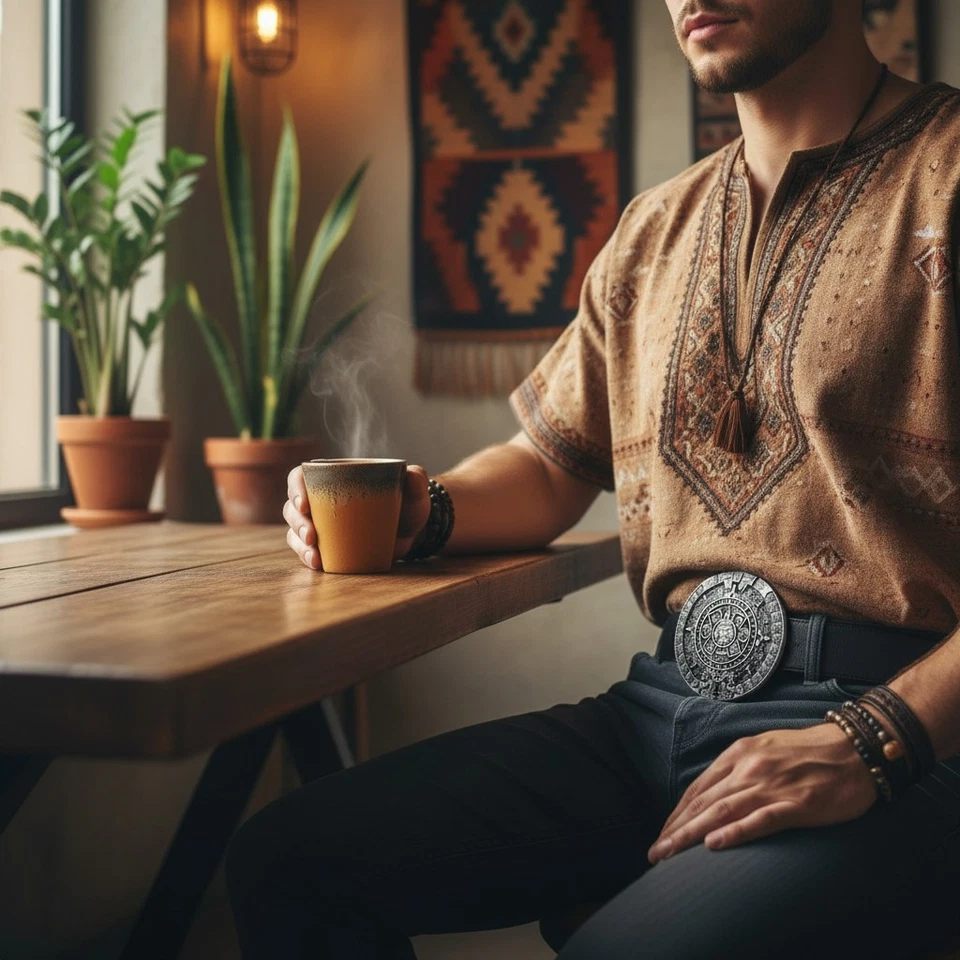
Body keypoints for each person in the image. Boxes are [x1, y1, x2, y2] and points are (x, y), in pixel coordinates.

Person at [226, 1, 960, 956]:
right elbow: (546, 464)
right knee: (287, 861)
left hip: (909, 727)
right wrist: (427, 509)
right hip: (658, 710)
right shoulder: (654, 228)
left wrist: (879, 739)